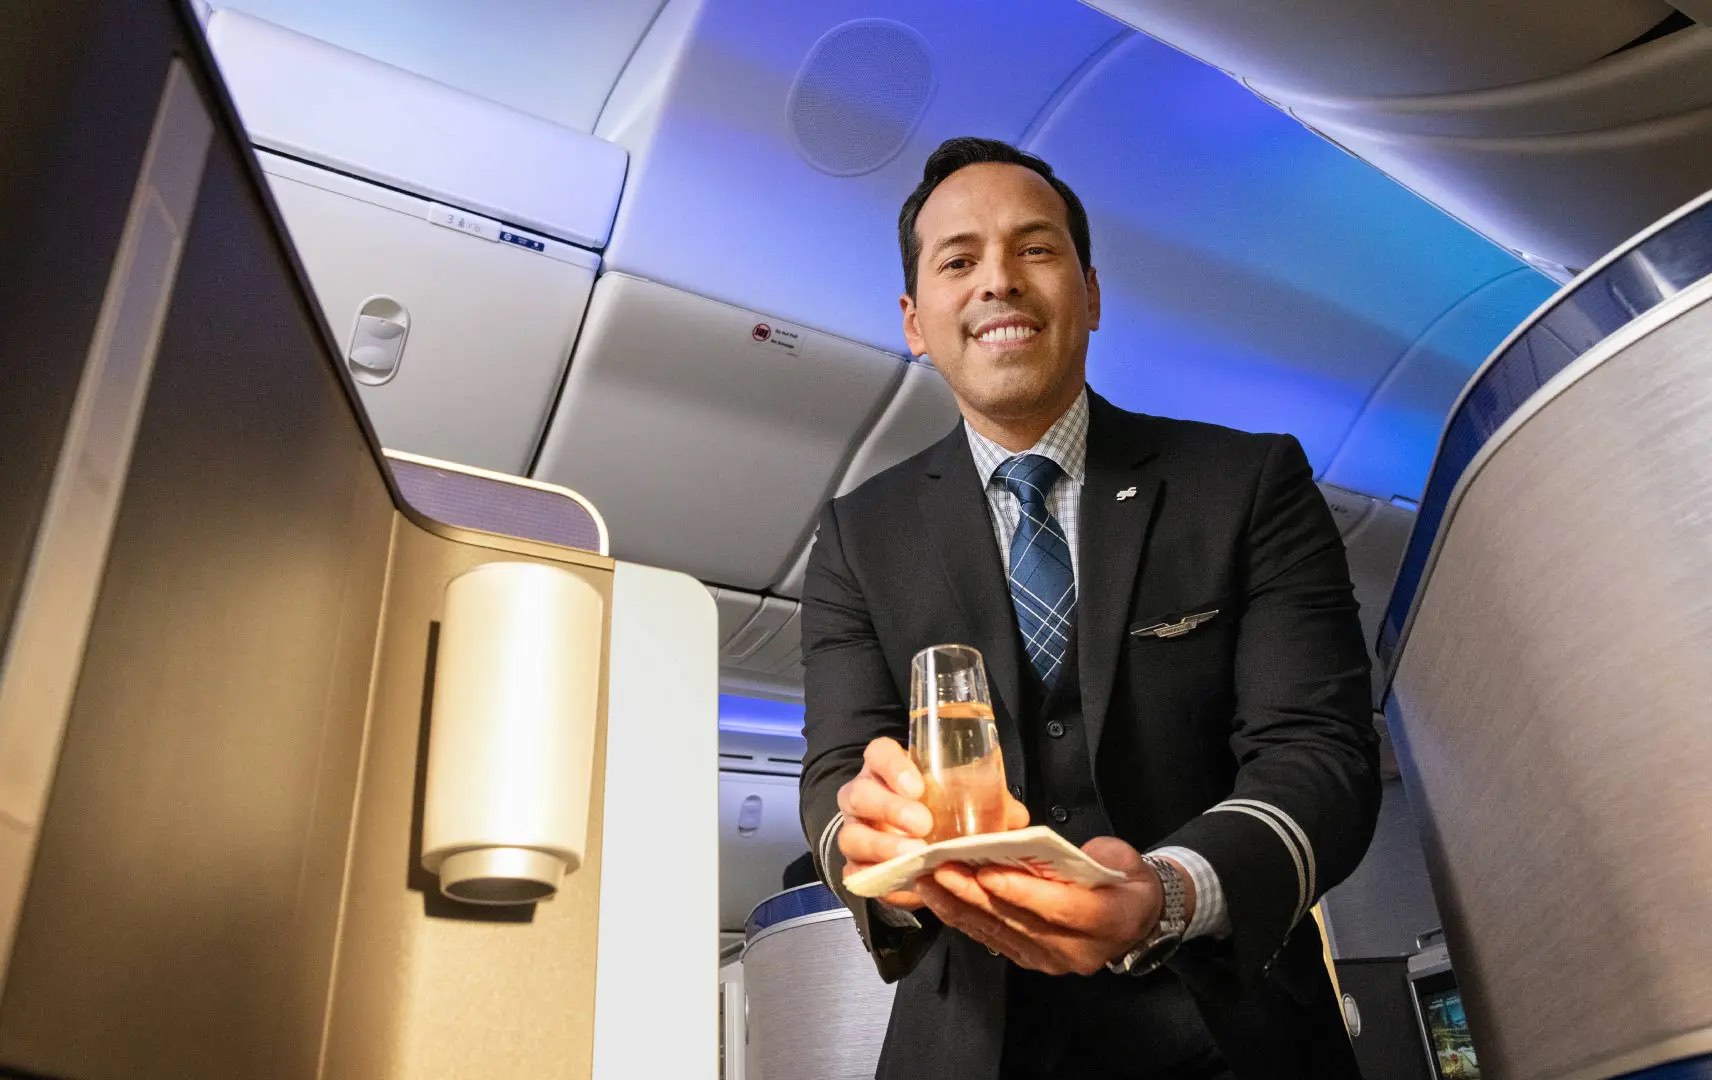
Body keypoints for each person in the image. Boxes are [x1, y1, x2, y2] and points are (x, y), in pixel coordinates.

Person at [796, 137, 1380, 1080]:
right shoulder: (861, 535)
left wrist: (1169, 891)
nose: (998, 283)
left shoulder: (1245, 484)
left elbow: (1320, 753)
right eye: (958, 261)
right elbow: (834, 771)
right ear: (915, 318)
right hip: (969, 1042)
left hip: (1235, 1029)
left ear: (1092, 293)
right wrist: (867, 837)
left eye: (1035, 249)